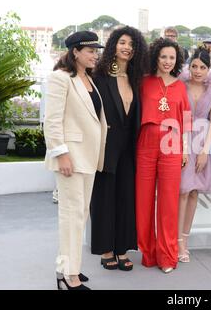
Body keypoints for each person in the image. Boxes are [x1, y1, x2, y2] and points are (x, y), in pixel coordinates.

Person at [44, 31, 106, 290]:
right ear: (75, 52)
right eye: (90, 50)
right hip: (71, 157)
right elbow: (52, 120)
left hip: (88, 158)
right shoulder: (61, 79)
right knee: (71, 215)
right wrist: (62, 154)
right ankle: (69, 277)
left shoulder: (88, 79)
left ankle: (69, 268)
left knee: (79, 214)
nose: (95, 55)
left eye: (96, 50)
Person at [90, 26, 149, 271]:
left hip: (130, 147)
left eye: (132, 45)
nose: (127, 47)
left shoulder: (137, 79)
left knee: (126, 197)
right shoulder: (99, 75)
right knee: (104, 198)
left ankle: (122, 248)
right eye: (122, 42)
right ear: (114, 44)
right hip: (105, 144)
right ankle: (106, 249)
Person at [135, 38, 191, 274]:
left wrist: (186, 148)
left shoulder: (180, 87)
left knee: (168, 201)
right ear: (156, 57)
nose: (168, 61)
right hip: (146, 141)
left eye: (172, 57)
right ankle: (148, 253)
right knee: (144, 199)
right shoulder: (143, 82)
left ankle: (167, 256)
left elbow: (186, 118)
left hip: (172, 142)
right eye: (164, 56)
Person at [177, 47, 211, 263]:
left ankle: (184, 242)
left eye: (203, 67)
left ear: (209, 68)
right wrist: (183, 147)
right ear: (189, 66)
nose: (198, 71)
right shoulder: (181, 85)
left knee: (194, 191)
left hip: (203, 141)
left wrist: (206, 151)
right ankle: (176, 241)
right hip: (181, 139)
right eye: (194, 66)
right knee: (182, 192)